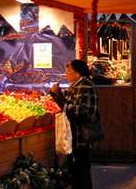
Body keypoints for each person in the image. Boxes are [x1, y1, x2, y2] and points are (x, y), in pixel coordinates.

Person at [50, 60, 101, 189]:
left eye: (69, 70)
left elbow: (81, 112)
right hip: (73, 137)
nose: (66, 73)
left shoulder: (85, 86)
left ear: (77, 73)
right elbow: (66, 105)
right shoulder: (75, 86)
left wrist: (59, 96)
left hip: (81, 137)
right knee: (75, 173)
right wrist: (56, 94)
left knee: (81, 172)